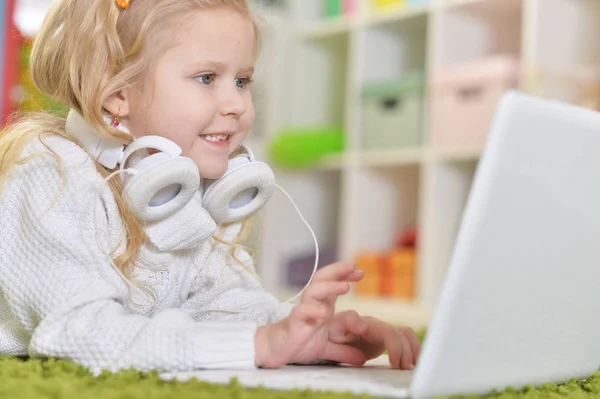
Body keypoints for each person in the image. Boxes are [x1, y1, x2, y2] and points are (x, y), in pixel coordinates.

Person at [0, 0, 420, 375]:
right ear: (116, 92)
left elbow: (225, 304)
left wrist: (308, 333)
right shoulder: (49, 171)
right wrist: (262, 344)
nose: (236, 104)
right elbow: (77, 333)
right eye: (206, 78)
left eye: (242, 80)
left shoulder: (182, 183)